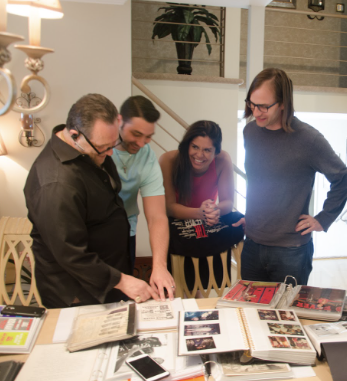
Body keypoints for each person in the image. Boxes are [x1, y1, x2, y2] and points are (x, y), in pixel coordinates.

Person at [24, 94, 159, 308]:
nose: (110, 152)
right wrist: (122, 281)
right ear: (75, 135)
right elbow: (71, 253)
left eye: (113, 144)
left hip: (109, 279)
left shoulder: (91, 150)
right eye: (104, 147)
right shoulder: (56, 184)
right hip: (78, 293)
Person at [241, 68, 347, 285]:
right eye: (252, 104)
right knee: (251, 313)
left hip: (290, 252)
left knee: (286, 316)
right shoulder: (250, 132)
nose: (256, 112)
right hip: (253, 244)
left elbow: (342, 177)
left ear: (283, 103)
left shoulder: (308, 139)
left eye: (264, 106)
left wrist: (323, 218)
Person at [158, 121, 244, 291]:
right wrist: (200, 212)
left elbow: (228, 202)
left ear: (216, 151)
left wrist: (214, 211)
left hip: (208, 217)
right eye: (195, 147)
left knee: (240, 221)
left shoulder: (223, 159)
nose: (200, 154)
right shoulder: (168, 160)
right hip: (181, 220)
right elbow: (169, 207)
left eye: (207, 150)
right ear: (186, 145)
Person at [111, 96, 175, 300]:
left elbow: (157, 216)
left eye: (148, 137)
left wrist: (159, 266)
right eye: (136, 134)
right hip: (93, 234)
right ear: (119, 121)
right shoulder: (102, 148)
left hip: (125, 232)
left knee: (121, 301)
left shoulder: (147, 155)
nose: (141, 143)